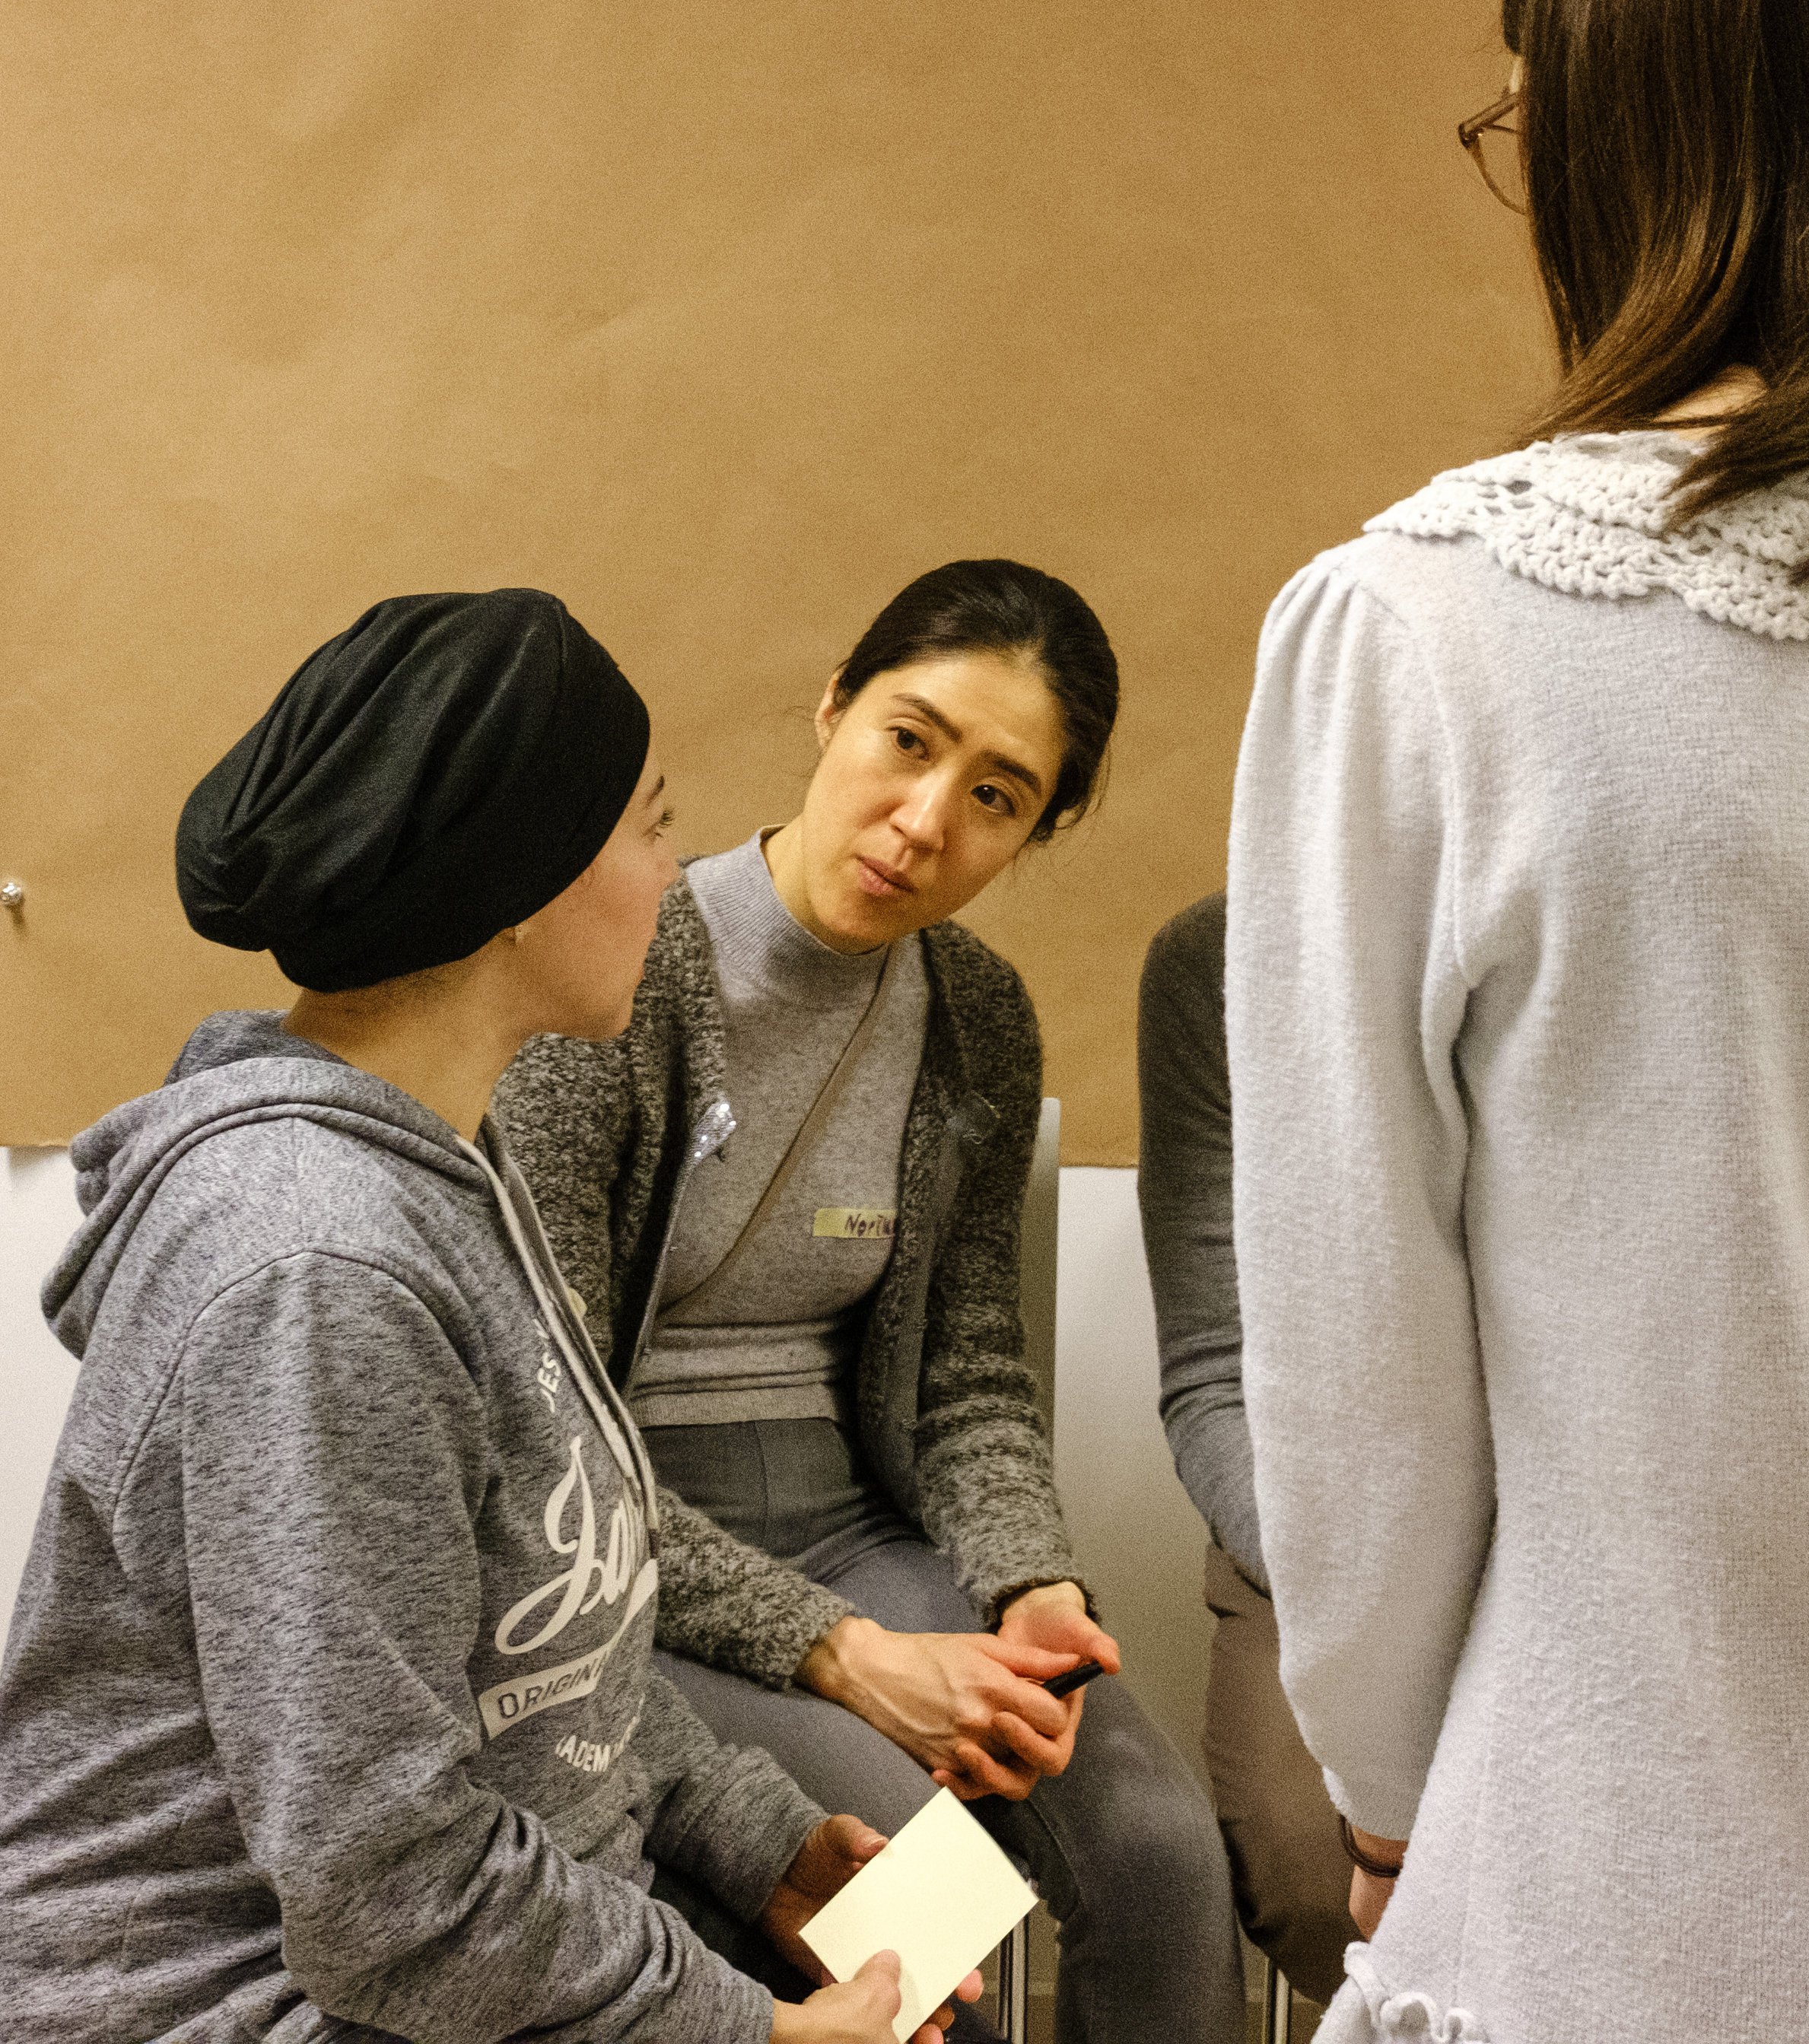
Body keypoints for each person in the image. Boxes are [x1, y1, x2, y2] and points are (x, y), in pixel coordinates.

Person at [1226, 0, 1809, 2044]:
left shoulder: (1429, 633)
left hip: (1629, 1854)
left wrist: (1393, 1788)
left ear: (1632, 128)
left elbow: (1355, 1377)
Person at [0, 589, 981, 2044]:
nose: (675, 875)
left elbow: (536, 1662)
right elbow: (389, 1897)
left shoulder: (452, 1166)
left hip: (470, 1956)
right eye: (652, 826)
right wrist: (754, 2034)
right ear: (523, 880)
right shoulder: (320, 1271)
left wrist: (756, 1842)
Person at [498, 558, 1246, 2044]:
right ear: (834, 704)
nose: (923, 821)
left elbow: (967, 1378)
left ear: (1034, 831)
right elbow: (543, 1435)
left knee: (1165, 1864)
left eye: (996, 796)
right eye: (909, 740)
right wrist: (847, 1657)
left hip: (856, 1529)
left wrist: (1029, 1591)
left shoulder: (976, 1016)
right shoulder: (618, 974)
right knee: (916, 1912)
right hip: (624, 1551)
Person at [1136, 892, 1355, 2005]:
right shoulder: (1221, 961)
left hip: (1585, 1523)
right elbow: (1215, 1374)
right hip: (1315, 1525)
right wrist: (1352, 1597)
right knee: (1320, 1886)